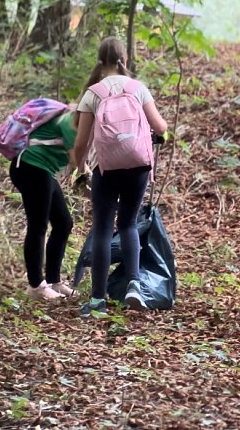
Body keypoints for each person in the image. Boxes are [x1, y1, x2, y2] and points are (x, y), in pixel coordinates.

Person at [73, 37, 168, 318]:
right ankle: (135, 286)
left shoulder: (93, 93)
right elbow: (160, 126)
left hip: (107, 167)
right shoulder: (138, 88)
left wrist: (80, 169)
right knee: (128, 223)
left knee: (103, 228)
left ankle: (96, 301)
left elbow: (81, 143)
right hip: (138, 165)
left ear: (100, 62)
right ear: (124, 60)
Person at [9, 109, 77, 301]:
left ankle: (53, 281)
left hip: (42, 170)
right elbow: (77, 160)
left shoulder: (78, 121)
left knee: (64, 222)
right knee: (38, 225)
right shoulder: (71, 121)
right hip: (32, 167)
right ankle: (36, 285)